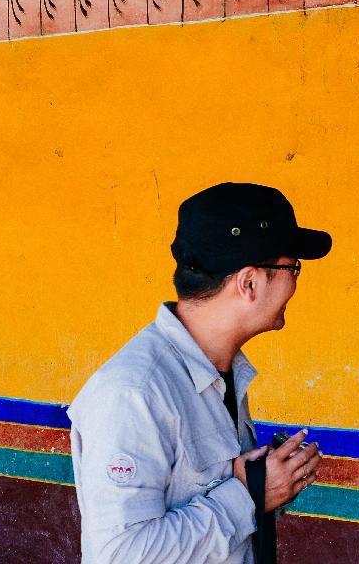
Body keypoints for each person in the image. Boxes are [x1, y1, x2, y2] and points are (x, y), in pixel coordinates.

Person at [68, 182, 331, 563]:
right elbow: (121, 554)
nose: (294, 281)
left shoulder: (221, 372)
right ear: (249, 283)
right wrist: (247, 495)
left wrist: (271, 479)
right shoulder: (134, 393)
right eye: (293, 268)